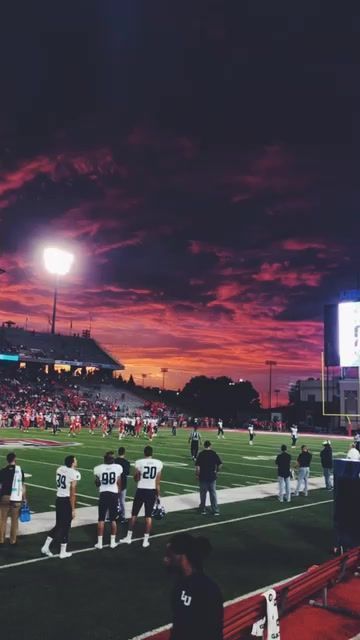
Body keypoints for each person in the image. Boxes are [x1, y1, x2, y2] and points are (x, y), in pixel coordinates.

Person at [164, 533, 224, 640]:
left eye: (169, 555)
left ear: (181, 556)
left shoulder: (207, 590)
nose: (165, 560)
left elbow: (213, 633)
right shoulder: (180, 584)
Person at [120, 445, 162, 548]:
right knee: (148, 516)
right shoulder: (158, 463)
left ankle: (129, 537)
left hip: (141, 490)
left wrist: (138, 474)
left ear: (144, 453)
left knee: (134, 514)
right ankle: (145, 540)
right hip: (151, 491)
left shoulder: (139, 463)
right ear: (152, 453)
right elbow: (157, 482)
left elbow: (136, 478)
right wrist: (158, 495)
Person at [41, 455, 80, 559]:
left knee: (59, 525)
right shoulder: (74, 474)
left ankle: (45, 546)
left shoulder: (60, 469)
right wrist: (73, 509)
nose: (77, 462)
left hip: (58, 499)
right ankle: (63, 551)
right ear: (72, 463)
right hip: (66, 501)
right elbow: (73, 493)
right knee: (66, 526)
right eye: (75, 460)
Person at [94, 451, 122, 550]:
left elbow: (97, 484)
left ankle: (100, 543)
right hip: (113, 494)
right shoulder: (117, 468)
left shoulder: (98, 468)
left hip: (104, 494)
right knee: (113, 519)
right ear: (112, 460)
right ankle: (112, 542)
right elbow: (119, 482)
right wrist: (118, 495)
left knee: (101, 519)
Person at [0, 452, 26, 545]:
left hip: (5, 497)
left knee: (2, 520)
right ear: (15, 459)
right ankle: (13, 540)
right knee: (14, 520)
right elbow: (22, 486)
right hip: (16, 498)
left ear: (7, 460)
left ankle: (1, 539)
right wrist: (24, 498)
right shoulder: (20, 471)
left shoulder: (3, 470)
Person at [195, 441, 222, 516]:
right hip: (212, 476)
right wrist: (217, 472)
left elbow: (197, 467)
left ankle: (203, 509)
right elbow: (220, 464)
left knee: (203, 494)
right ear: (210, 445)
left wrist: (197, 475)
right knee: (213, 494)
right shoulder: (214, 453)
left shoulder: (201, 454)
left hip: (203, 476)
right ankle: (215, 510)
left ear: (204, 446)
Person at [114, 446, 130, 523]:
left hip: (115, 483)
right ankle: (123, 516)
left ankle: (112, 515)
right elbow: (127, 473)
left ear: (118, 452)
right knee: (122, 501)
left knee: (114, 500)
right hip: (123, 483)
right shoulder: (126, 462)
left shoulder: (114, 461)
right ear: (124, 453)